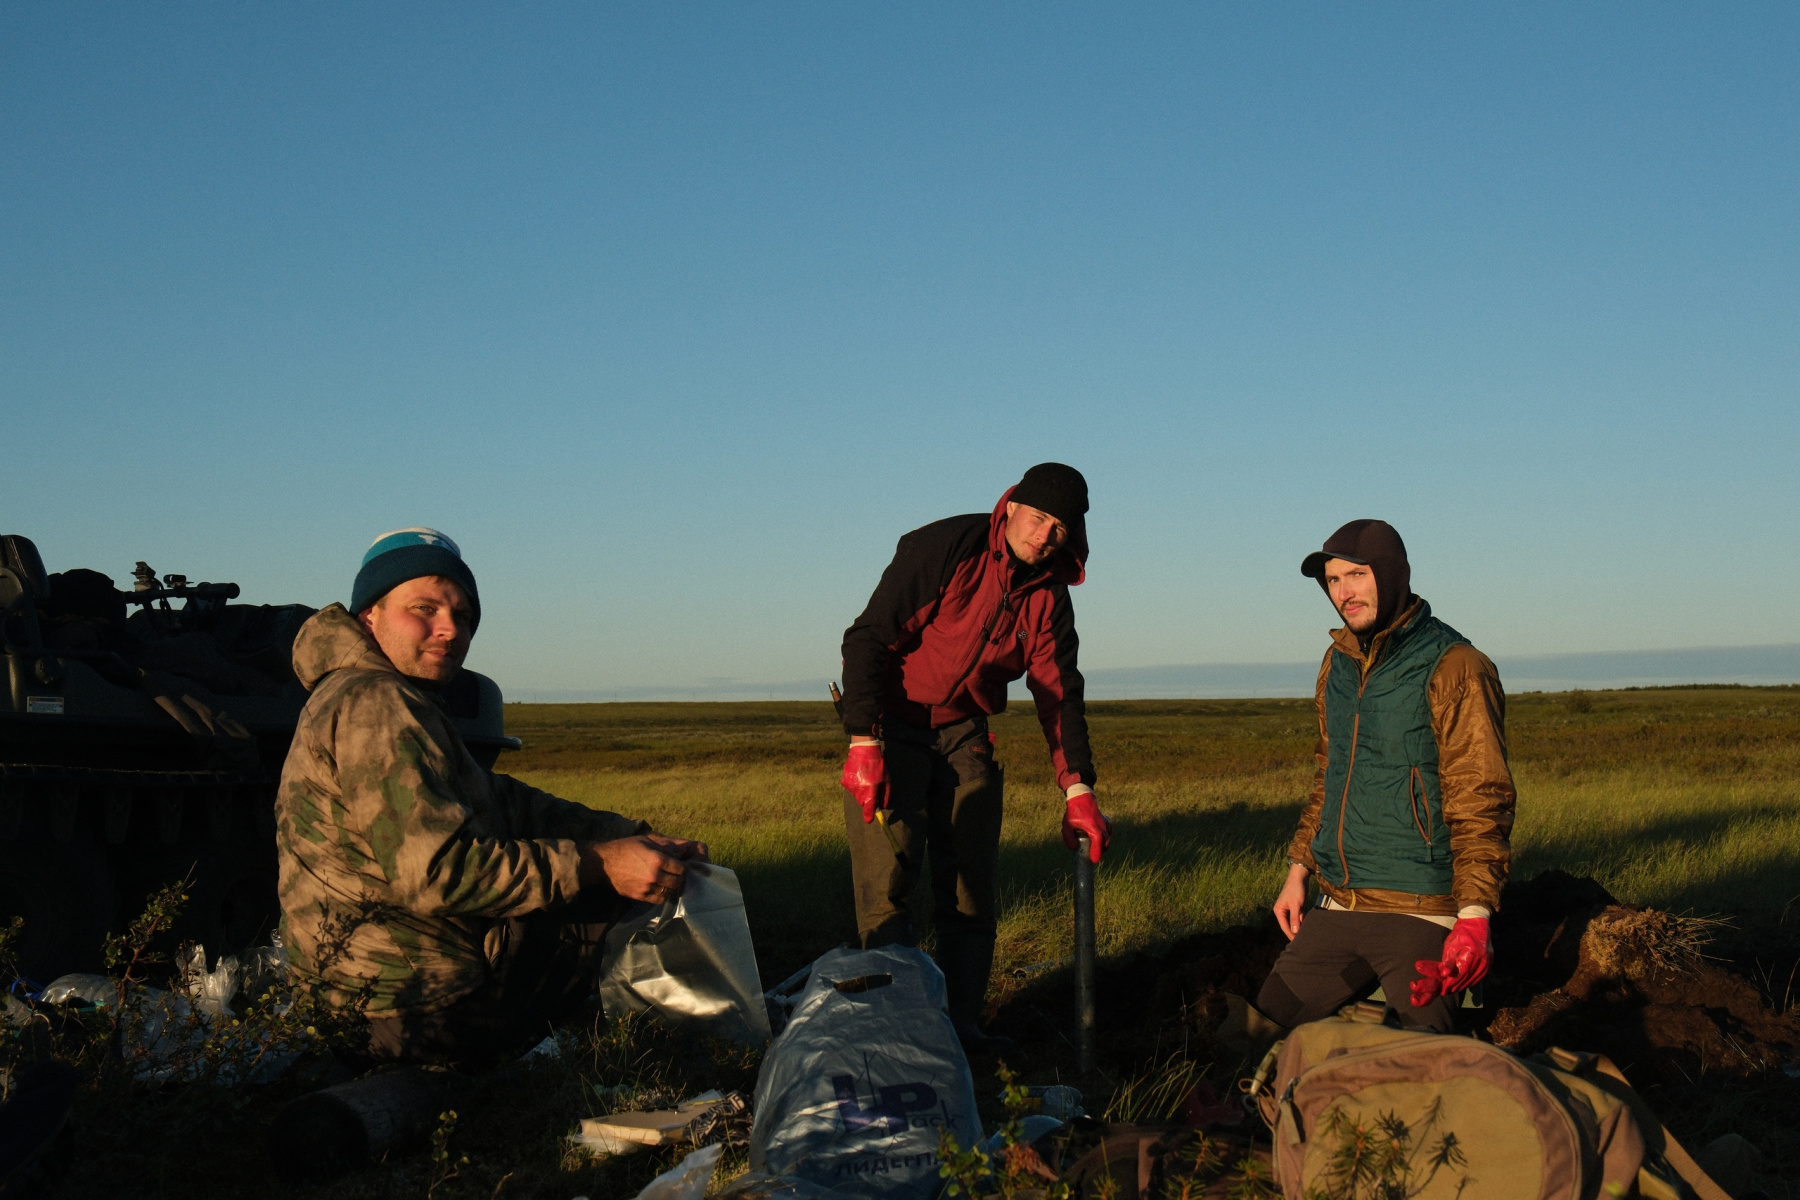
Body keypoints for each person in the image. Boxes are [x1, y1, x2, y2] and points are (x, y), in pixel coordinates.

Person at [275, 528, 708, 1066]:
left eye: (462, 615)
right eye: (424, 609)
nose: (448, 630)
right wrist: (603, 865)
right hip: (405, 1012)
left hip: (360, 997)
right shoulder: (378, 704)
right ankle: (667, 1052)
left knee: (600, 875)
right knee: (605, 899)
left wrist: (628, 835)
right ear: (370, 616)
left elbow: (503, 800)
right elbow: (437, 873)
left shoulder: (377, 693)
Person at [837, 463, 1111, 1050]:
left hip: (966, 733)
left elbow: (1059, 694)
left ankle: (959, 1030)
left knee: (969, 891)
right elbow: (867, 637)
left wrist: (1079, 790)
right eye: (1038, 518)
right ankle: (893, 1034)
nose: (1044, 536)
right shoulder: (943, 548)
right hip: (892, 725)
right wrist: (864, 742)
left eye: (1059, 528)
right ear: (1010, 507)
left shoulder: (1049, 598)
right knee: (887, 886)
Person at [1255, 519, 1515, 1034]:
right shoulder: (1338, 663)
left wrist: (1475, 916)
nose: (1343, 592)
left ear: (1392, 574)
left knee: (1426, 1064)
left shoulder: (1456, 665)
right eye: (1332, 581)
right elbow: (1330, 777)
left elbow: (1481, 796)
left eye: (1356, 575)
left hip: (1422, 908)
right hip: (1340, 903)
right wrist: (1298, 870)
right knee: (1252, 1035)